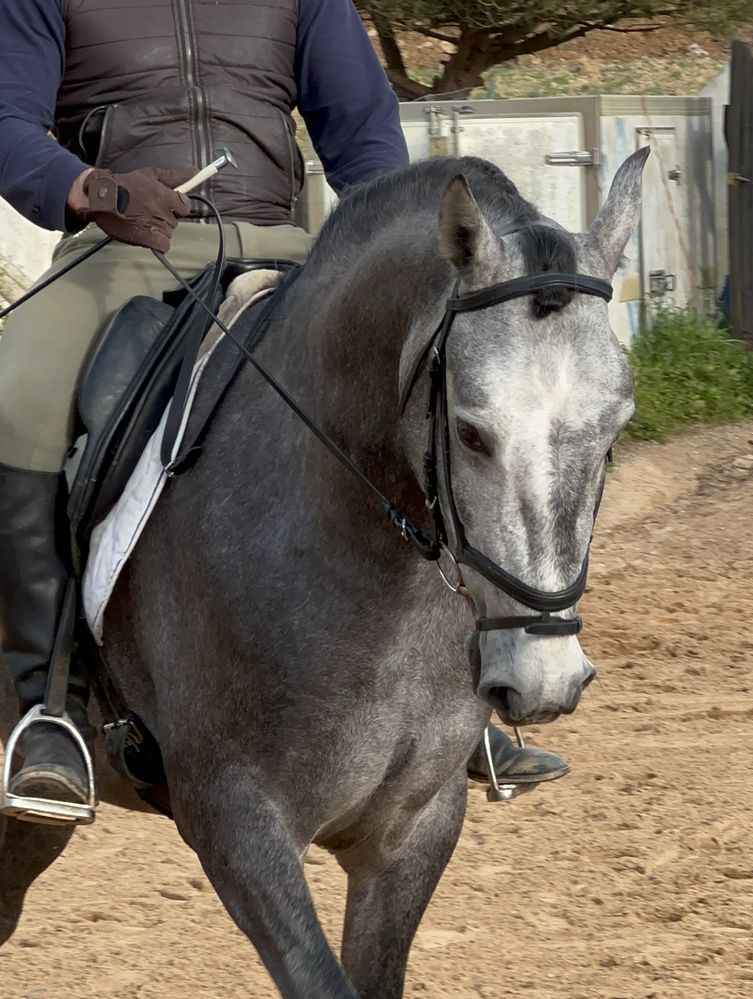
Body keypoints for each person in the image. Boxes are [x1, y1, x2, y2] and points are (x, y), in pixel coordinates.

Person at [0, 0, 569, 823]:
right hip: (121, 250)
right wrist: (94, 187)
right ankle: (45, 710)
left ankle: (461, 684)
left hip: (285, 247)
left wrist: (387, 260)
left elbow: (362, 131)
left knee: (430, 400)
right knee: (17, 398)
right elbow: (9, 124)